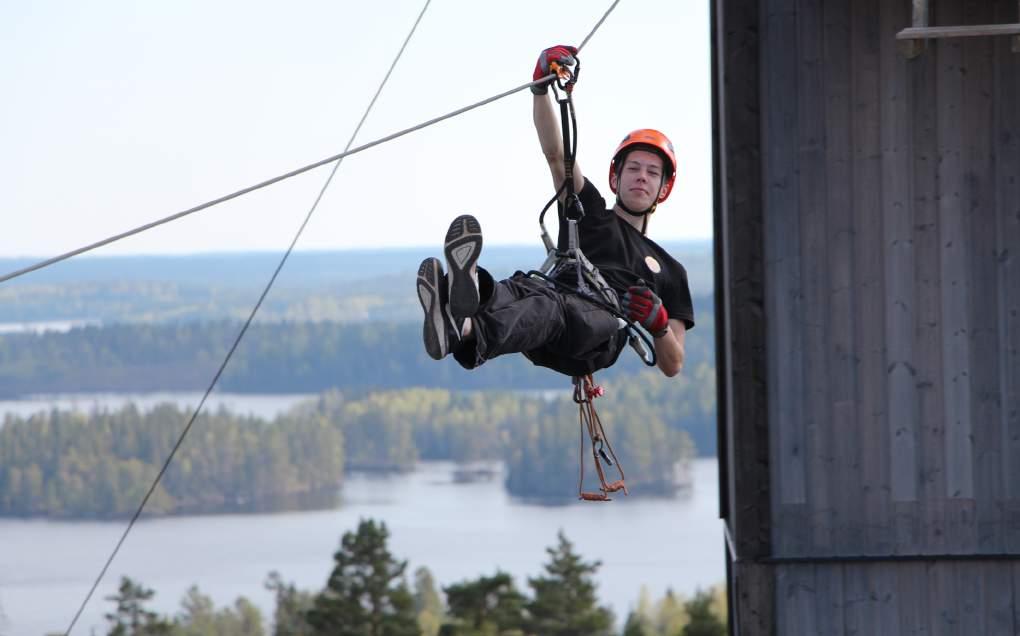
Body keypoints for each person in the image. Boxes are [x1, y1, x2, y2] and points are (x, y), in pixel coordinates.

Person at [415, 44, 694, 379]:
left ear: (663, 188)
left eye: (652, 172)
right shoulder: (588, 210)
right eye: (634, 168)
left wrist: (659, 325)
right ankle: (466, 302)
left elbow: (673, 364)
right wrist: (540, 88)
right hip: (551, 305)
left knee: (551, 307)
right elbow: (556, 153)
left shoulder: (670, 271)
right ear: (615, 177)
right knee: (522, 288)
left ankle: (464, 324)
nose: (641, 177)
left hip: (598, 330)